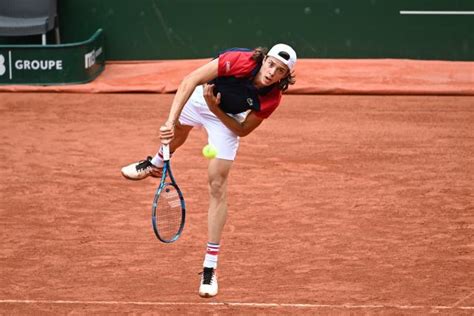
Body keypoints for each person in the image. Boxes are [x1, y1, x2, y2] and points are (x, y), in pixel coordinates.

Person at [121, 43, 297, 298]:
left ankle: (209, 267)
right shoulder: (240, 61)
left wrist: (215, 109)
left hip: (226, 119)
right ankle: (155, 163)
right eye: (271, 64)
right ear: (264, 59)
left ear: (284, 77)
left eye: (280, 70)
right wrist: (170, 121)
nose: (272, 72)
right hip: (200, 98)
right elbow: (191, 79)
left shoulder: (271, 98)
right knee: (179, 130)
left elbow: (243, 130)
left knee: (217, 185)